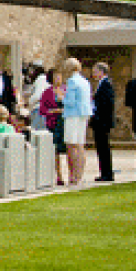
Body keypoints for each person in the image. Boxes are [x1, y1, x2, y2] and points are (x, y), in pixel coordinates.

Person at [60, 57, 92, 185]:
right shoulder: (85, 81)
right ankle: (79, 175)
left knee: (72, 145)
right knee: (80, 145)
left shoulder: (72, 81)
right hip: (83, 114)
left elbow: (70, 102)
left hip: (73, 115)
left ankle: (73, 175)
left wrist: (61, 97)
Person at [90, 62, 116, 181]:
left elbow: (106, 104)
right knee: (101, 148)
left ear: (101, 72)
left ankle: (107, 173)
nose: (93, 74)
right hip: (100, 121)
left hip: (102, 122)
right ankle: (104, 172)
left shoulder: (106, 84)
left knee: (103, 148)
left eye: (95, 71)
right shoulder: (102, 84)